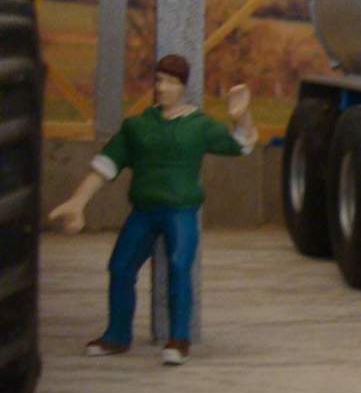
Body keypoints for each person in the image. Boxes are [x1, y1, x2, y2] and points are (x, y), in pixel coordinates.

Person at [49, 54, 257, 366]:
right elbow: (106, 165)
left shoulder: (198, 126)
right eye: (159, 80)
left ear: (182, 87)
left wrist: (242, 116)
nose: (163, 88)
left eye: (171, 82)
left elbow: (241, 145)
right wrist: (78, 202)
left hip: (180, 212)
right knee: (120, 266)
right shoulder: (138, 126)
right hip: (144, 211)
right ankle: (117, 335)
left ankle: (179, 338)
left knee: (179, 266)